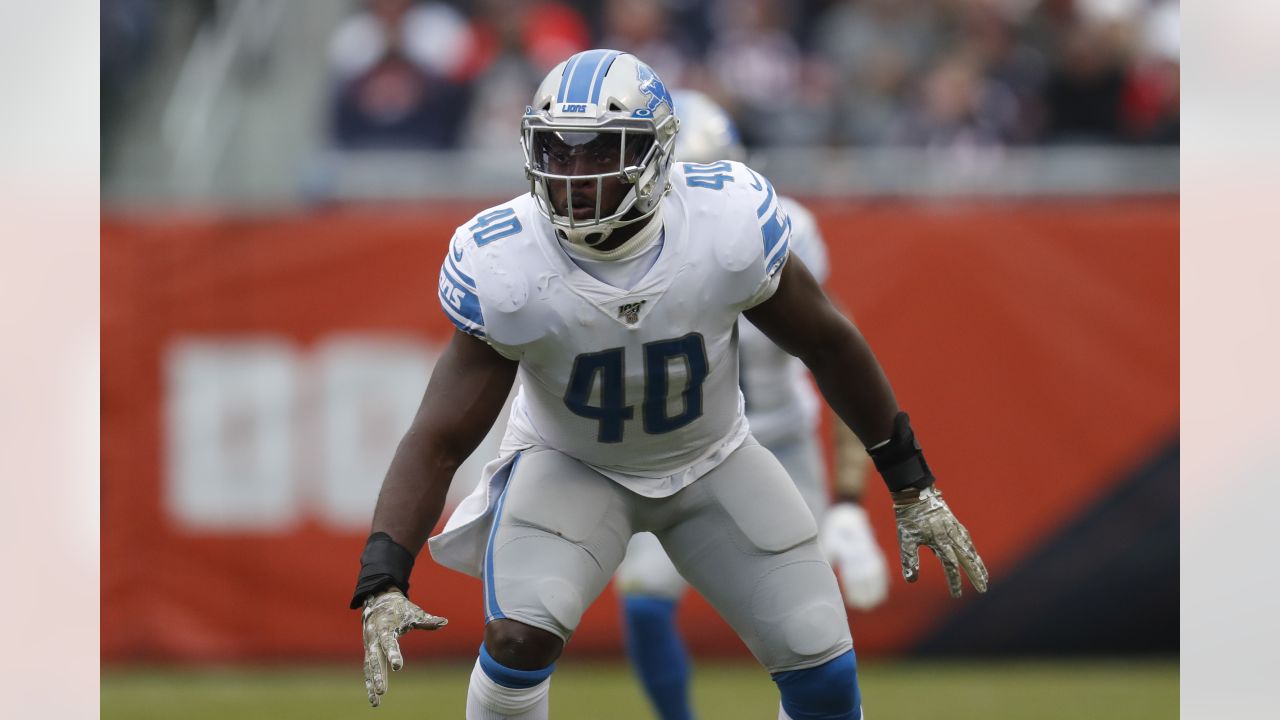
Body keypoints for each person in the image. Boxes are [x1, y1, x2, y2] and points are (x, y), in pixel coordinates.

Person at [351, 50, 987, 720]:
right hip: (574, 465)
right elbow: (442, 435)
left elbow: (829, 344)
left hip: (714, 459)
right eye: (557, 154)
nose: (574, 176)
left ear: (656, 155)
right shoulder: (506, 261)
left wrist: (911, 485)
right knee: (517, 637)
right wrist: (384, 571)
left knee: (819, 660)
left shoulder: (724, 224)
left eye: (600, 152)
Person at [612, 89, 889, 720]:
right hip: (678, 448)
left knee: (809, 631)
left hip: (775, 444)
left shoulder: (775, 228)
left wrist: (851, 501)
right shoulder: (612, 251)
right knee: (645, 599)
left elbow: (837, 354)